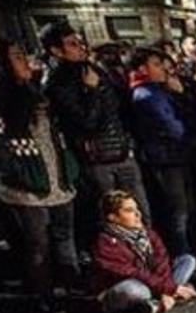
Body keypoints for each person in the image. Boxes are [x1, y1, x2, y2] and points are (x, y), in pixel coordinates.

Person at [0, 36, 81, 313]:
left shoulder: (33, 91)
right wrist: (17, 174)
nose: (26, 61)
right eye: (17, 57)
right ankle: (44, 296)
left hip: (55, 175)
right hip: (27, 184)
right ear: (1, 64)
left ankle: (72, 288)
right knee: (37, 243)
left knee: (65, 236)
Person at [39, 21, 151, 223]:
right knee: (113, 221)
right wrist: (91, 91)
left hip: (122, 152)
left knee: (141, 215)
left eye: (81, 42)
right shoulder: (56, 83)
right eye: (72, 44)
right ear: (56, 50)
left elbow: (117, 108)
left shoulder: (93, 70)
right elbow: (86, 122)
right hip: (96, 161)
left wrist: (128, 142)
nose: (81, 47)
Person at [129, 46, 195, 257]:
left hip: (173, 155)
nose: (163, 70)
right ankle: (180, 253)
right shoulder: (146, 95)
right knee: (177, 209)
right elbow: (173, 126)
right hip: (164, 158)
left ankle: (186, 250)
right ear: (142, 69)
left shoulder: (159, 91)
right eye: (156, 65)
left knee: (183, 207)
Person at [91, 190, 196, 313]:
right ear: (113, 217)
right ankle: (164, 298)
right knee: (134, 291)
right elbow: (133, 273)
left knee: (187, 261)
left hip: (151, 282)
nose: (138, 214)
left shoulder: (147, 233)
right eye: (129, 210)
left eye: (137, 209)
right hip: (128, 285)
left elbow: (162, 261)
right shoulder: (105, 243)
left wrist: (166, 288)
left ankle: (157, 302)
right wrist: (170, 287)